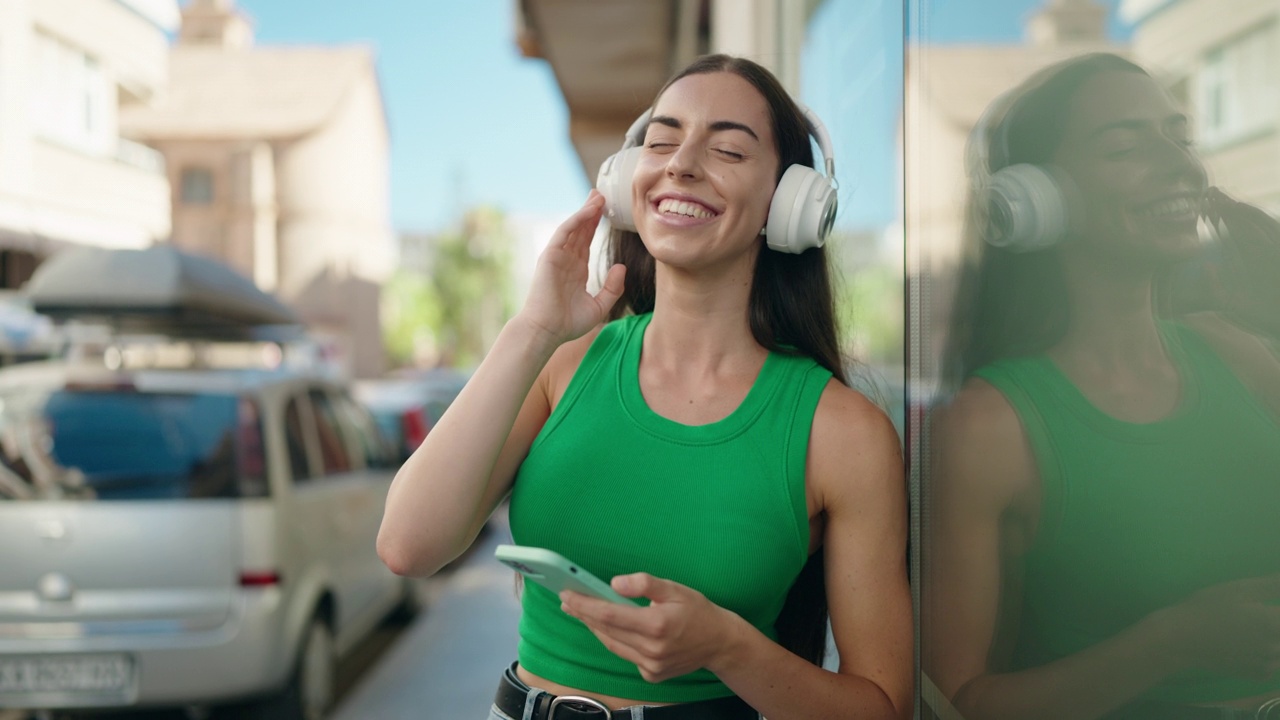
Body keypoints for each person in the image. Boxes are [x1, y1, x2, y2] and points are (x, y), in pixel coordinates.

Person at [377, 54, 912, 720]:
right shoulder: (561, 362)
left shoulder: (843, 434)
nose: (681, 163)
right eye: (661, 141)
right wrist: (532, 330)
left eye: (727, 149)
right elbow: (408, 545)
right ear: (630, 178)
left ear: (791, 203)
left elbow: (883, 707)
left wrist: (727, 648)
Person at [923, 52, 1280, 720]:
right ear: (1035, 197)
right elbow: (961, 702)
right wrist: (1167, 646)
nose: (1182, 164)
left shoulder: (1240, 355)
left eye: (1180, 137)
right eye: (1125, 145)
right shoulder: (988, 428)